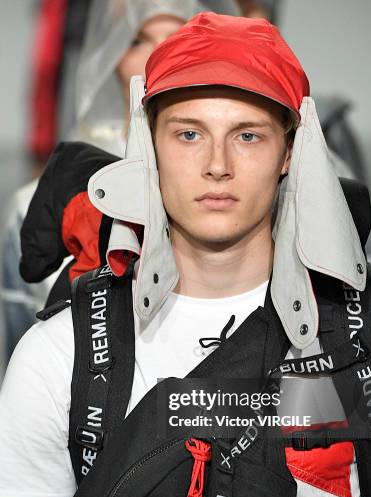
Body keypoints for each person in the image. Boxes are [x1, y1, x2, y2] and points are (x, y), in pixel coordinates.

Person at [1, 12, 371, 497]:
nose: (217, 164)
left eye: (248, 134)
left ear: (289, 151)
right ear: (149, 145)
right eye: (188, 134)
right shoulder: (62, 354)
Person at [0, 0, 240, 379]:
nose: (160, 54)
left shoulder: (254, 188)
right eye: (136, 40)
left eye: (181, 35)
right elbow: (19, 359)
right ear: (108, 55)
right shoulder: (35, 202)